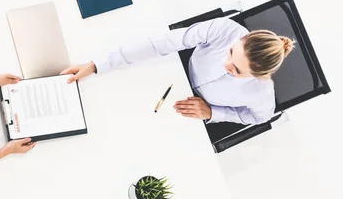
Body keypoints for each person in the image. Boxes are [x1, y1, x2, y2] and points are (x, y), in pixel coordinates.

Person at [61, 17, 295, 125]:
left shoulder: (261, 92)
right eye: (231, 53)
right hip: (172, 73)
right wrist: (97, 65)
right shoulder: (225, 30)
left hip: (187, 111)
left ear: (257, 76)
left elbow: (260, 117)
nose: (226, 65)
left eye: (236, 71)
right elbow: (162, 43)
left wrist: (214, 113)